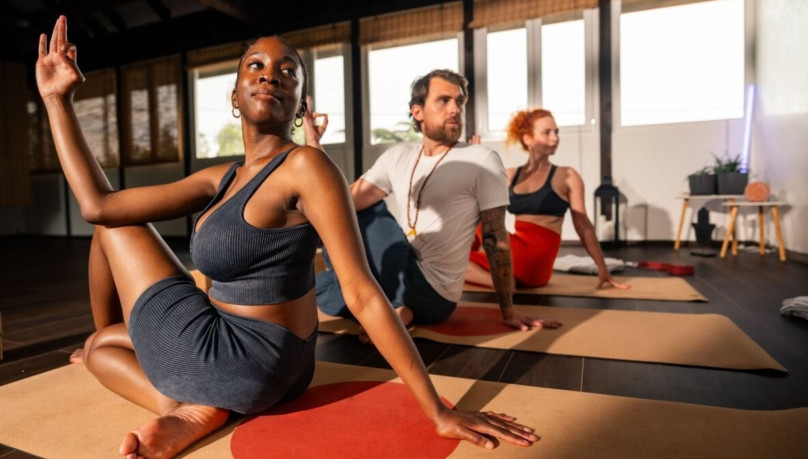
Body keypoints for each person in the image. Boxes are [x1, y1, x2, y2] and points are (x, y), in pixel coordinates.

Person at [36, 16, 540, 458]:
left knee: (112, 231)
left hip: (247, 360)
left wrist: (436, 411)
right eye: (255, 66)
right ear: (235, 96)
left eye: (287, 71)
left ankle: (193, 399)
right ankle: (185, 401)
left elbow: (362, 292)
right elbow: (97, 200)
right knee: (101, 346)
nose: (270, 74)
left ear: (299, 105)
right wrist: (58, 99)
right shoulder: (223, 177)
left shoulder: (306, 166)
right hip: (278, 367)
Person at [311, 69, 562, 343]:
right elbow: (339, 200)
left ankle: (379, 304)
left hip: (435, 295)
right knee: (321, 287)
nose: (455, 109)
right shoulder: (398, 155)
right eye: (444, 100)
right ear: (417, 111)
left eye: (459, 102)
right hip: (401, 279)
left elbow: (495, 238)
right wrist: (314, 145)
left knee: (366, 215)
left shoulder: (480, 159)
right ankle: (395, 310)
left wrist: (508, 310)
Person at [465, 109, 630, 290]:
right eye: (547, 133)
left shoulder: (566, 175)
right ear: (528, 138)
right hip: (531, 265)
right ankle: (502, 280)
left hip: (534, 258)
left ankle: (498, 279)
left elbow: (583, 225)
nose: (555, 138)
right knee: (475, 218)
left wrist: (602, 267)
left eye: (556, 132)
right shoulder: (511, 175)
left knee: (453, 256)